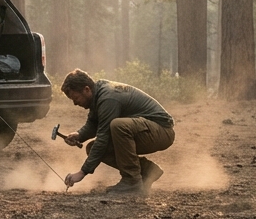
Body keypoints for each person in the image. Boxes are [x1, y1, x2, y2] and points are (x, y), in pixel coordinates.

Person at [60, 68, 175, 197]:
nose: (75, 103)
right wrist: (79, 135)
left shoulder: (107, 98)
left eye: (76, 98)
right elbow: (93, 124)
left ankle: (132, 181)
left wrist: (82, 172)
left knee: (117, 126)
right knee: (92, 147)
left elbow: (103, 137)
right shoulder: (98, 95)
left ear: (86, 89)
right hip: (146, 131)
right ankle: (147, 171)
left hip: (162, 131)